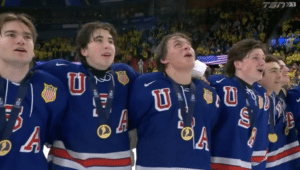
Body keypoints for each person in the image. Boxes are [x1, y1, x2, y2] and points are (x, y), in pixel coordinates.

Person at [34, 22, 139, 169]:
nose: (107, 45)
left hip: (118, 164)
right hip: (70, 165)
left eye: (110, 41)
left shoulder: (125, 73)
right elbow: (21, 68)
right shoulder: (62, 70)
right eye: (99, 40)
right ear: (84, 50)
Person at [128, 32, 220, 169]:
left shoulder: (209, 92)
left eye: (189, 45)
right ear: (164, 58)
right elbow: (129, 123)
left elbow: (212, 128)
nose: (187, 48)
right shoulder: (145, 84)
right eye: (178, 44)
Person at [0, 13, 68, 169]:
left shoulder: (51, 88)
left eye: (28, 37)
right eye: (11, 34)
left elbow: (57, 138)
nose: (21, 40)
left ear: (33, 51)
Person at [207, 38, 269, 169]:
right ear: (238, 64)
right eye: (255, 58)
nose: (262, 62)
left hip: (244, 163)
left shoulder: (259, 95)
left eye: (263, 58)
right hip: (216, 162)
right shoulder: (218, 83)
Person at [253, 55, 300, 170]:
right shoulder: (257, 103)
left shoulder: (287, 97)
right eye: (276, 69)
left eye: (281, 68)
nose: (284, 71)